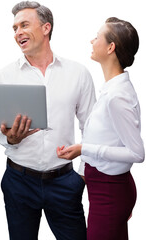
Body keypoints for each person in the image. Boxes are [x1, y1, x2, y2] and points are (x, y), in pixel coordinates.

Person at [0, 1, 96, 239]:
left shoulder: (77, 73)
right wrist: (10, 139)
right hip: (18, 182)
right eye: (15, 28)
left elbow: (91, 127)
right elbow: (0, 133)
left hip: (64, 182)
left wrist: (81, 176)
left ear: (46, 27)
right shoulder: (4, 75)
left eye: (24, 25)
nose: (18, 32)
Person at [57, 17, 145, 240]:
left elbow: (137, 153)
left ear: (110, 47)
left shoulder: (117, 97)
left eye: (97, 37)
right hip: (106, 190)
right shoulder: (113, 88)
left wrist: (84, 148)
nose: (92, 40)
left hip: (110, 193)